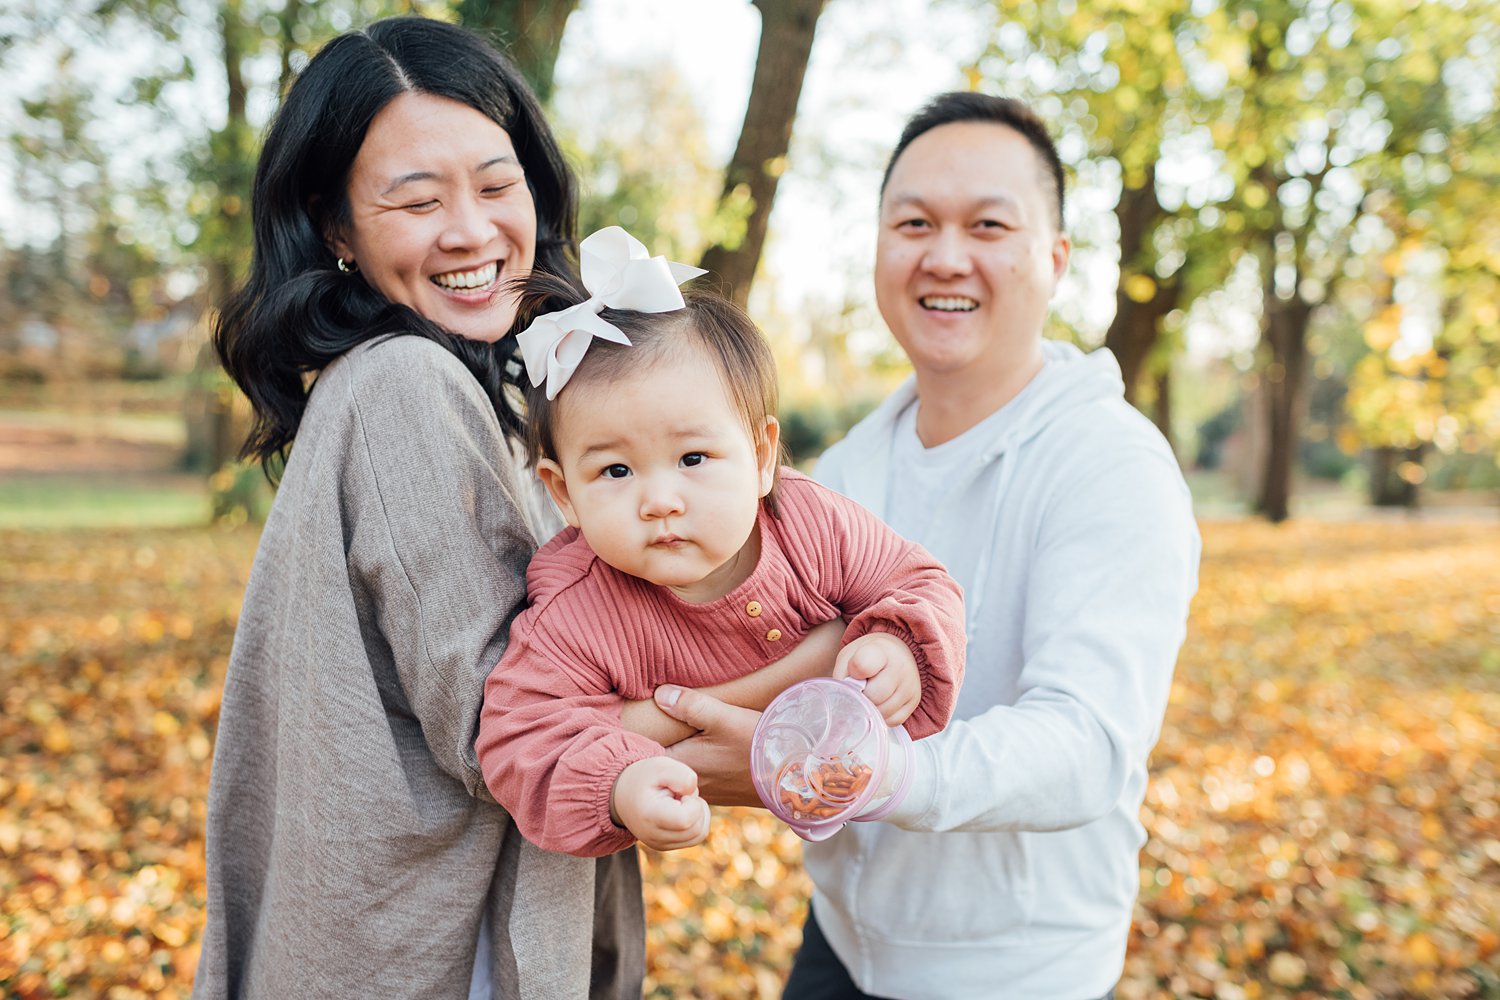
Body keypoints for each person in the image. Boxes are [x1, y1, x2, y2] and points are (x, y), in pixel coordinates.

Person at [191, 18, 841, 999]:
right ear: (336, 229)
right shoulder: (406, 384)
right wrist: (801, 678)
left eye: (498, 186)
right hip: (439, 949)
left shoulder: (462, 390)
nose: (471, 230)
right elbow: (506, 731)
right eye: (416, 200)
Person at [655, 93, 1201, 1000]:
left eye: (989, 224)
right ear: (879, 247)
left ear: (1055, 259)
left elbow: (1088, 743)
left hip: (1018, 973)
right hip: (838, 944)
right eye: (914, 223)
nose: (945, 256)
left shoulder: (1111, 463)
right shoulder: (845, 467)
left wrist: (874, 775)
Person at [474, 231, 965, 858]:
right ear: (564, 494)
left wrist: (897, 644)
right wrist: (620, 785)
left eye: (693, 457)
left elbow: (920, 581)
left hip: (873, 815)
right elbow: (522, 737)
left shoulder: (808, 523)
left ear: (761, 457)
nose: (660, 500)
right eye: (616, 472)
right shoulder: (577, 614)